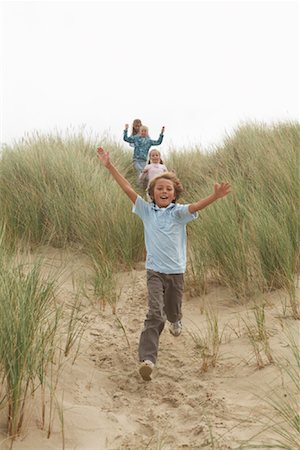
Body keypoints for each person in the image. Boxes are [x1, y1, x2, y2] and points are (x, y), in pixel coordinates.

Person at [97, 146, 231, 381]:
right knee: (155, 314)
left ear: (174, 193)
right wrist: (109, 166)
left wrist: (215, 197)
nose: (164, 191)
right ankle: (147, 360)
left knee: (172, 311)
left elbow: (195, 206)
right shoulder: (146, 211)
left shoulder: (178, 213)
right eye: (160, 188)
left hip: (176, 272)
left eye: (169, 188)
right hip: (155, 272)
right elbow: (127, 188)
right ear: (152, 192)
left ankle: (176, 319)